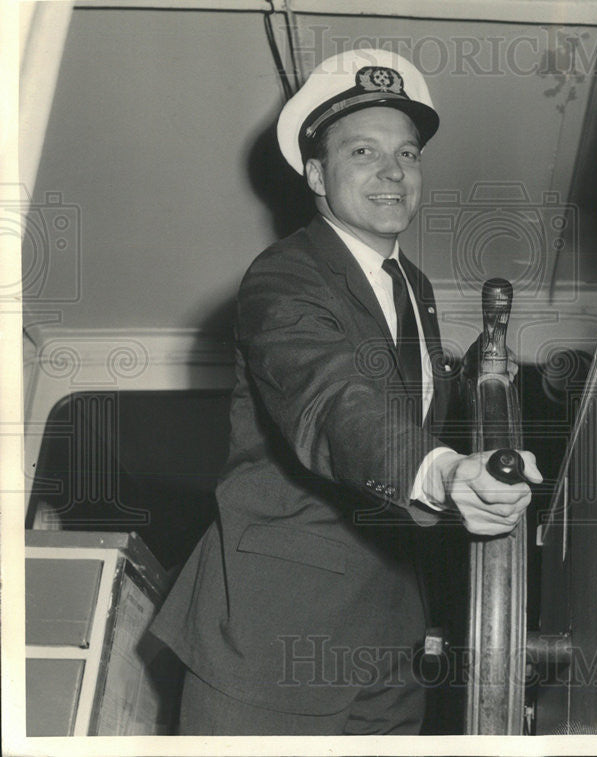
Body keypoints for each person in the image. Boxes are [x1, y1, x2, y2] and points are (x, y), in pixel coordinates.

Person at [149, 49, 541, 735]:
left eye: (409, 153)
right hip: (271, 640)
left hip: (389, 648)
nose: (394, 172)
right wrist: (443, 472)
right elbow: (332, 402)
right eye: (364, 151)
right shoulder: (285, 277)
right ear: (315, 173)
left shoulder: (415, 290)